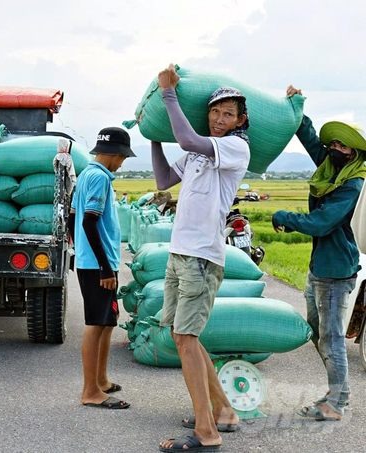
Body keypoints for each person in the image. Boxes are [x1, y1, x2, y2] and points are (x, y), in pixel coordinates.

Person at [151, 64, 250, 453]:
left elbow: (190, 139)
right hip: (180, 251)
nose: (220, 119)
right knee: (182, 336)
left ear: (240, 120)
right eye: (215, 112)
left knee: (186, 339)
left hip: (201, 257)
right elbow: (162, 180)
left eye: (229, 113)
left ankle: (207, 431)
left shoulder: (234, 147)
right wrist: (155, 135)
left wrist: (169, 96)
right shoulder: (195, 154)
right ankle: (223, 411)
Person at [272, 85, 366, 422]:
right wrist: (296, 108)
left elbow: (323, 223)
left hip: (336, 271)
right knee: (318, 329)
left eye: (344, 146)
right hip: (319, 267)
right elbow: (311, 138)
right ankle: (337, 390)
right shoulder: (330, 170)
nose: (336, 149)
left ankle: (337, 403)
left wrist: (284, 216)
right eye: (335, 144)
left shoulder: (352, 184)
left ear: (354, 154)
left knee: (331, 336)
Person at [68, 127, 136, 410]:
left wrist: (78, 250)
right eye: (122, 158)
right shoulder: (98, 178)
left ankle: (102, 380)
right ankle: (90, 391)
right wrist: (106, 268)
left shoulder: (87, 174)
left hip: (94, 261)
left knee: (107, 322)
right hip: (99, 265)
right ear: (114, 154)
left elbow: (73, 217)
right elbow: (88, 222)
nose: (122, 163)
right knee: (96, 324)